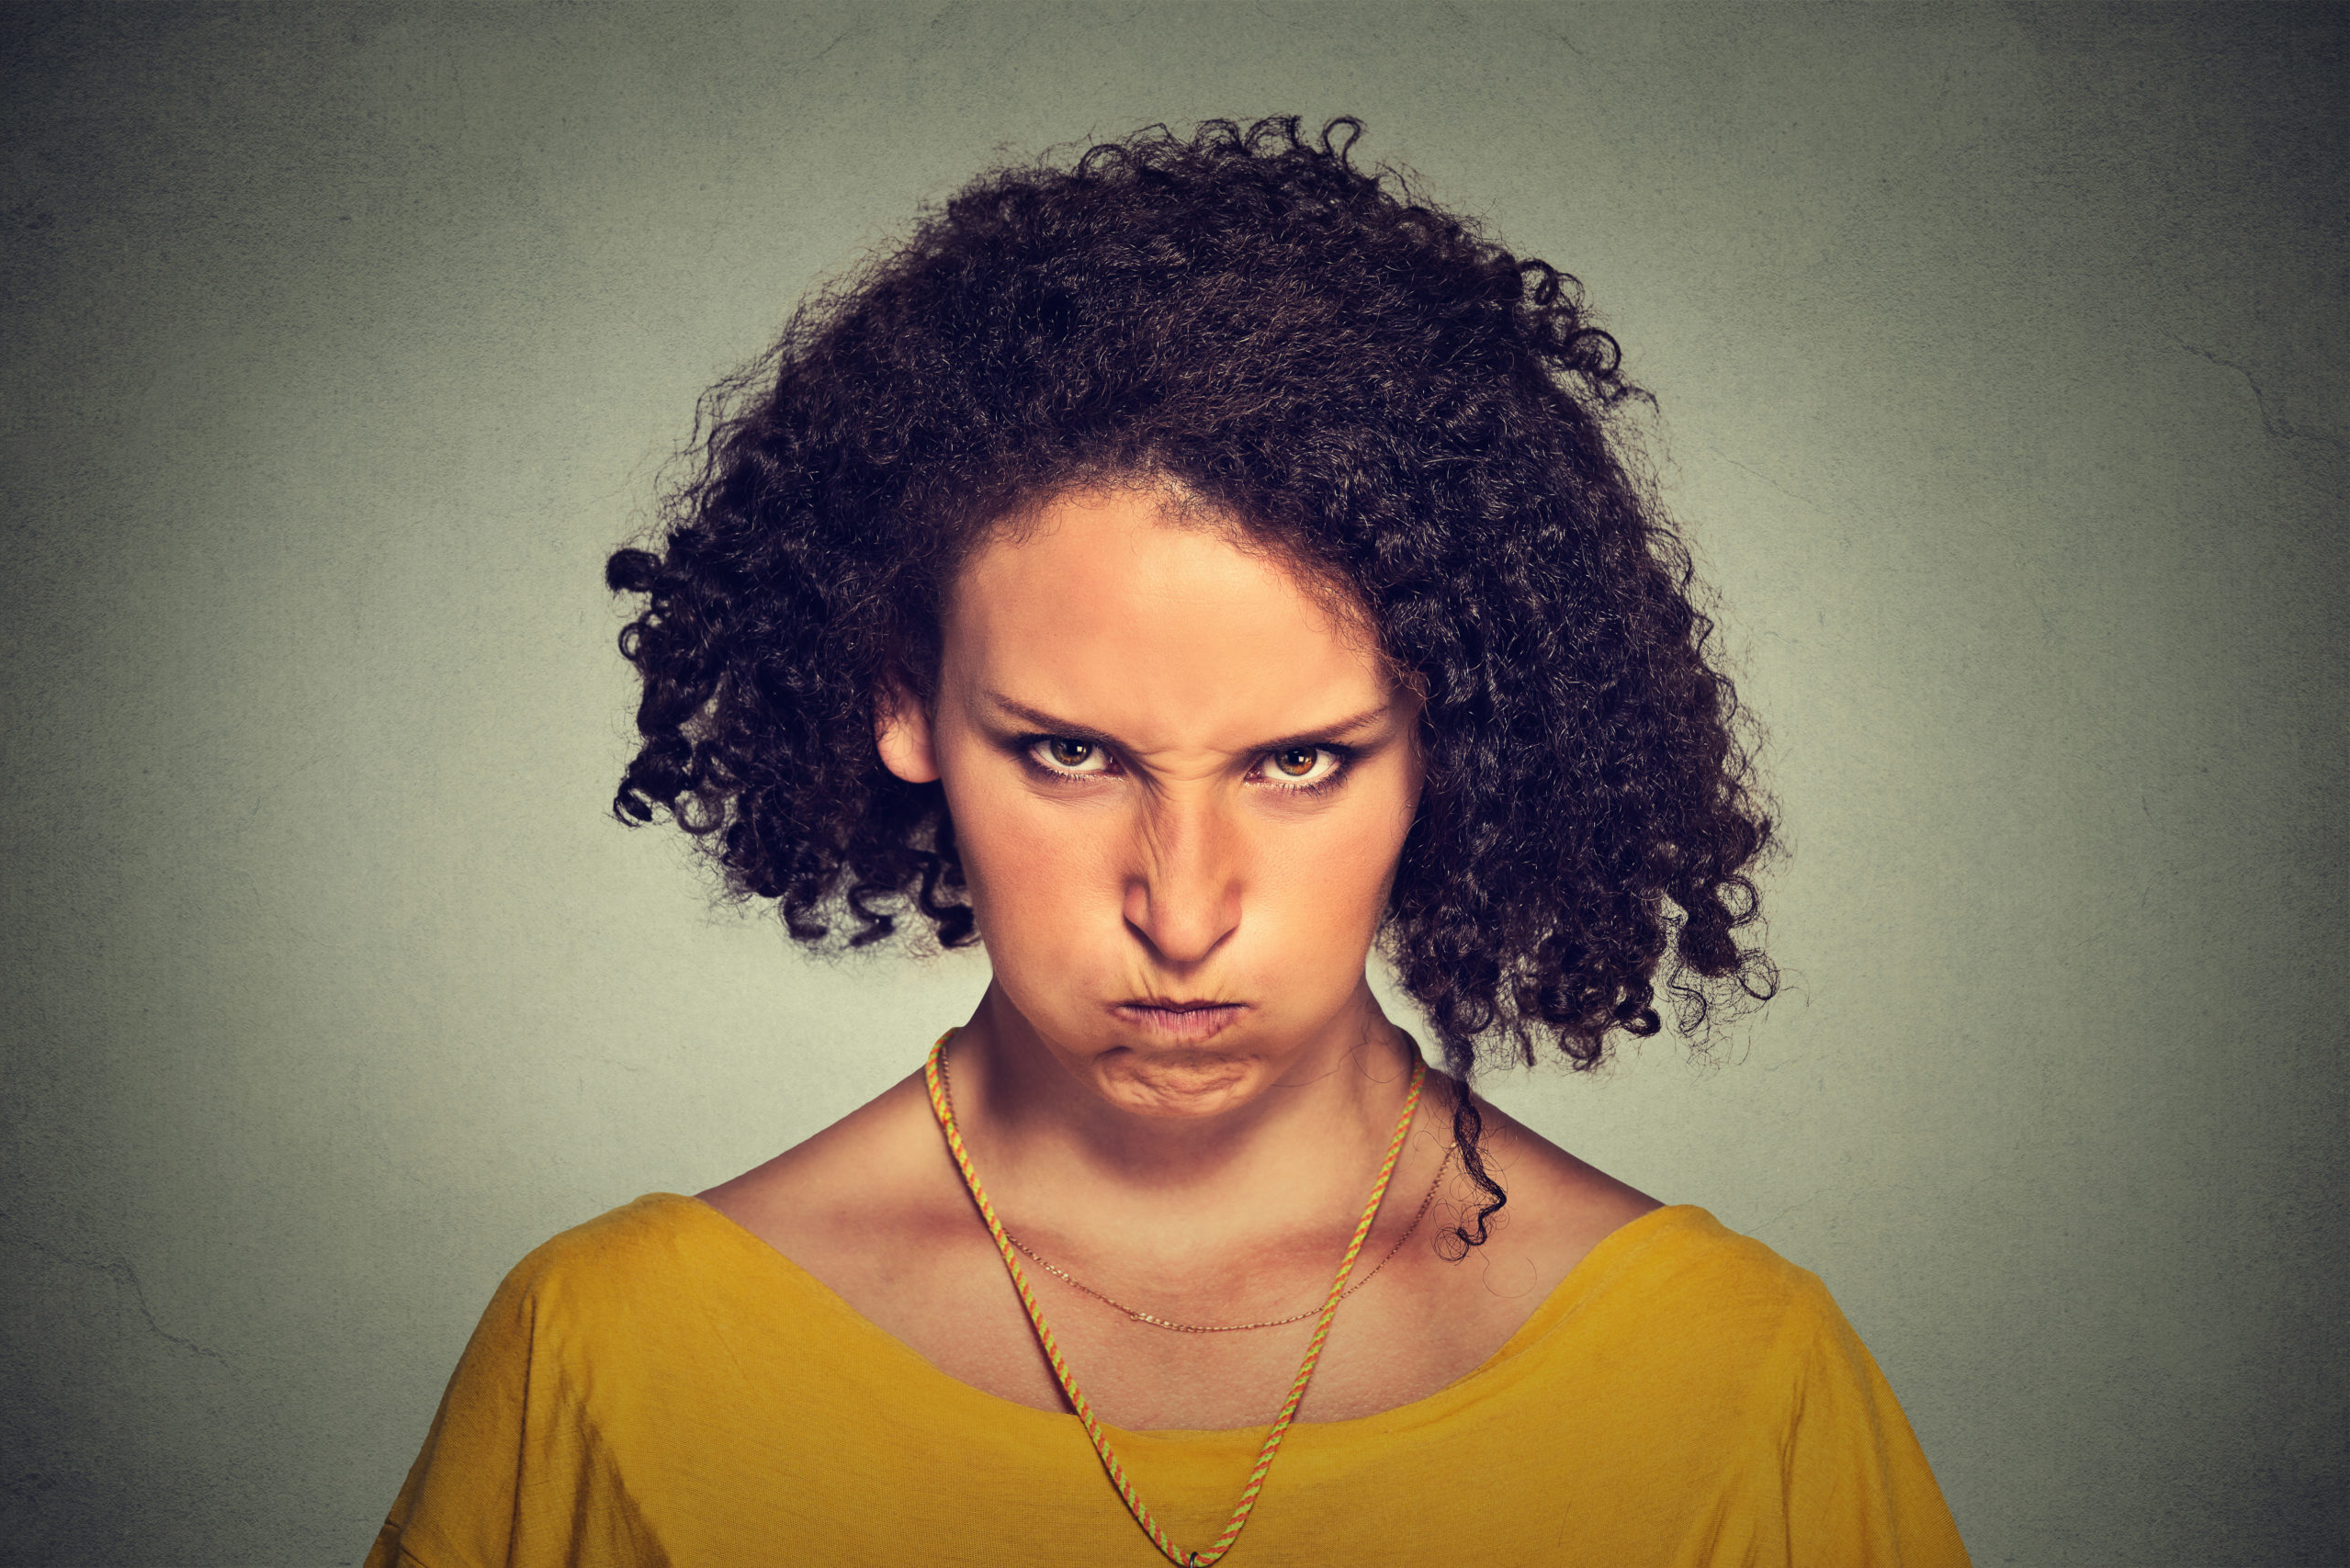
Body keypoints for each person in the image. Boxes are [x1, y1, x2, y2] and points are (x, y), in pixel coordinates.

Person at [366, 116, 1969, 1566]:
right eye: (1070, 753)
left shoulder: (1733, 1385)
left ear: (1446, 751)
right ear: (905, 707)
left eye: (1297, 761)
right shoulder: (616, 1362)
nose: (1185, 910)